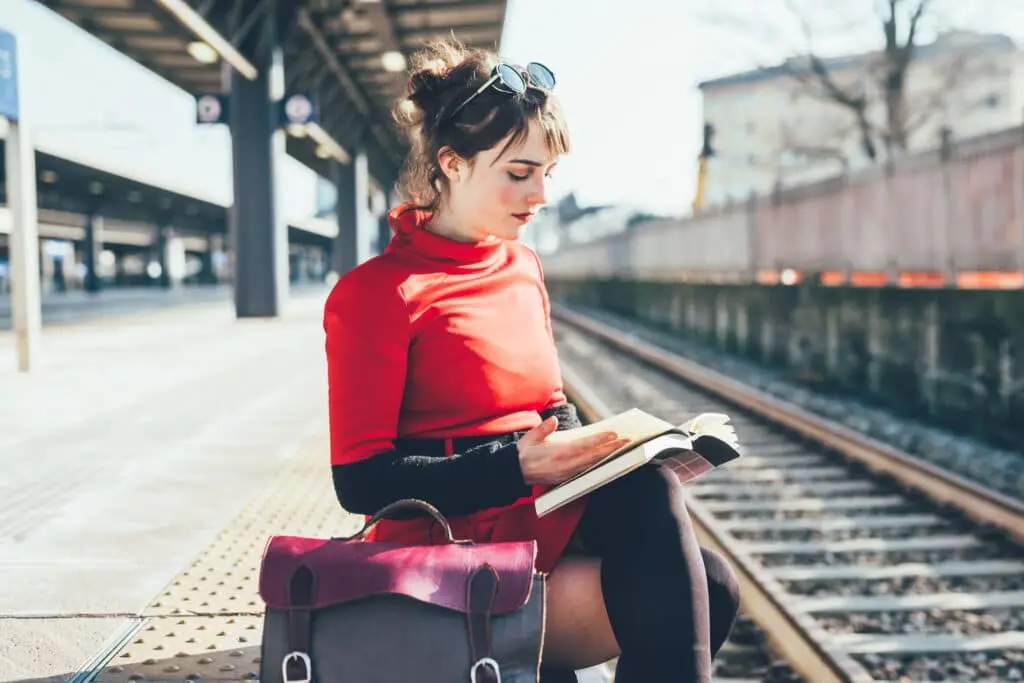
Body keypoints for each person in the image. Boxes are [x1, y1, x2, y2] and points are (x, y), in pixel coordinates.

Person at [323, 38, 740, 683]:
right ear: (451, 163)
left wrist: (590, 448)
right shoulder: (377, 294)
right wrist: (514, 465)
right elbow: (360, 483)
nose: (540, 193)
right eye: (519, 173)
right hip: (448, 544)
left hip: (536, 515)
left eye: (548, 172)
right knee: (693, 574)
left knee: (706, 572)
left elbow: (549, 402)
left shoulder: (522, 268)